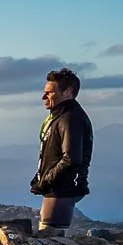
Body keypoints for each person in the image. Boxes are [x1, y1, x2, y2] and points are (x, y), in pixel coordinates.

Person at [32, 67, 92, 233]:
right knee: (49, 237)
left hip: (63, 189)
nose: (43, 97)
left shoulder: (70, 119)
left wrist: (45, 180)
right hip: (59, 188)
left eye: (50, 92)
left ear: (68, 92)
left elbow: (71, 158)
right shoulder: (61, 116)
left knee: (49, 238)